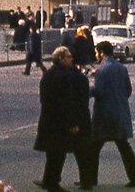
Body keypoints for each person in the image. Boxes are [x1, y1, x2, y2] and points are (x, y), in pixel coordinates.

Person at [33, 46, 95, 192]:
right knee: (59, 153)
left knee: (54, 153)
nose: (71, 59)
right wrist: (71, 122)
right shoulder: (63, 76)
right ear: (60, 58)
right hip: (59, 122)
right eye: (68, 57)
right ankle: (52, 184)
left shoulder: (49, 74)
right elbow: (65, 101)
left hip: (50, 120)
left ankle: (50, 181)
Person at [91, 40, 135, 188]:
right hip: (120, 112)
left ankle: (89, 178)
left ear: (102, 53)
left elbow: (99, 91)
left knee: (93, 148)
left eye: (97, 52)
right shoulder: (121, 68)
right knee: (124, 147)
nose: (96, 55)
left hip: (104, 115)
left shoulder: (101, 70)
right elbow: (128, 90)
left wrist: (87, 90)